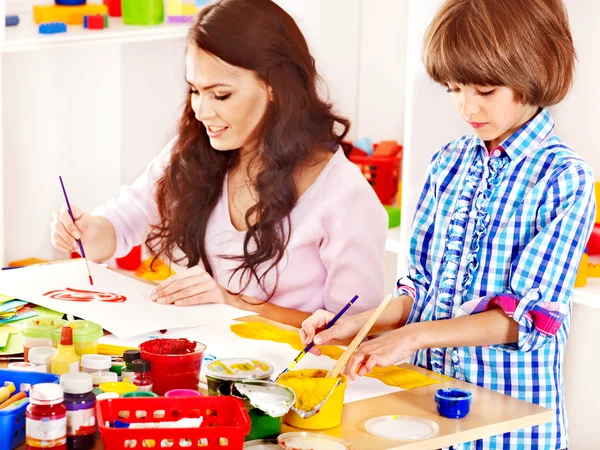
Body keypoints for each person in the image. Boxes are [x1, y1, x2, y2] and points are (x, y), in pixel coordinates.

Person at [300, 0, 595, 448]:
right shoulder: (448, 164)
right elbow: (418, 288)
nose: (466, 107)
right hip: (430, 417)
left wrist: (410, 339)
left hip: (510, 429)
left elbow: (529, 321)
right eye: (454, 88)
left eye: (484, 90)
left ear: (534, 73)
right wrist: (359, 324)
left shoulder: (563, 179)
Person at [49, 0, 387, 327]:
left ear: (275, 87)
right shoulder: (194, 151)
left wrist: (232, 303)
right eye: (195, 90)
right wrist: (87, 232)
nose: (201, 110)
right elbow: (121, 224)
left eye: (220, 94)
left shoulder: (343, 196)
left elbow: (357, 332)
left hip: (291, 379)